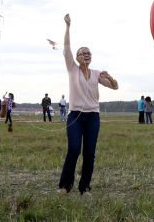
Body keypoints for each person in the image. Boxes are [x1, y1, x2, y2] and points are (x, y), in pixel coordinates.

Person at [58, 13, 119, 196]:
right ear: (76, 57)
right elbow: (66, 48)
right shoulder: (72, 69)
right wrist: (68, 26)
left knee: (89, 153)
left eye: (88, 53)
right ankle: (64, 186)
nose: (86, 55)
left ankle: (84, 188)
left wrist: (110, 77)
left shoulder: (96, 73)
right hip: (75, 115)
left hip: (93, 117)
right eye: (83, 53)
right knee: (74, 149)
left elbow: (115, 87)